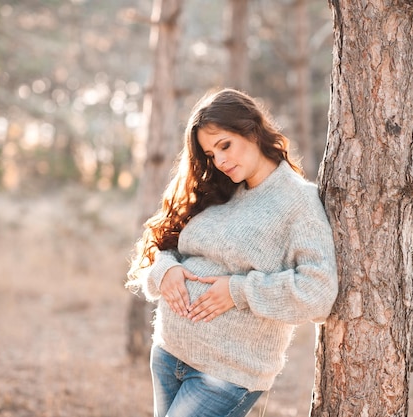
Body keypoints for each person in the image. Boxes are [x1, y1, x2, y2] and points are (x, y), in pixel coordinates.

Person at [126, 88, 338, 417]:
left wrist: (238, 290)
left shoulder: (298, 202)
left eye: (225, 145)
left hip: (224, 375)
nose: (220, 161)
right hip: (169, 354)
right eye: (211, 154)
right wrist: (165, 270)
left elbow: (318, 292)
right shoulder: (218, 188)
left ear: (252, 129)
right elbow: (165, 246)